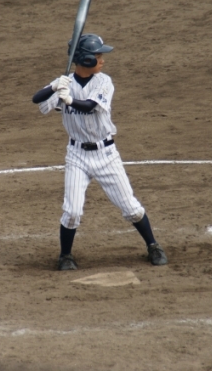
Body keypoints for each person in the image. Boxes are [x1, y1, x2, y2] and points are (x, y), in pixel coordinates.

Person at [32, 33, 168, 270]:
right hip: (77, 156)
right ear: (85, 59)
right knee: (72, 211)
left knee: (131, 208)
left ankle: (153, 246)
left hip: (106, 155)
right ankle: (65, 256)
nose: (102, 60)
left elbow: (90, 106)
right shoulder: (65, 82)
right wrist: (54, 87)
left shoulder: (104, 81)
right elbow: (37, 100)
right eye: (97, 56)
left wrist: (69, 100)